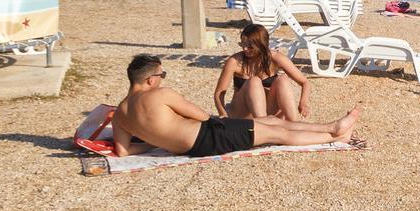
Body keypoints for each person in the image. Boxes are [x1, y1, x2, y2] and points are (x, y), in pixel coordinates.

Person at [113, 53, 356, 158]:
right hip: (210, 136)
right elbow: (201, 116)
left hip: (192, 147)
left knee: (271, 122)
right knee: (276, 133)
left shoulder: (119, 114)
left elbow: (123, 151)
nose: (162, 79)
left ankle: (331, 128)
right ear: (151, 80)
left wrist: (157, 142)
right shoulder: (160, 95)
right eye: (162, 75)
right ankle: (334, 134)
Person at [215, 23, 310, 120]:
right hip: (242, 113)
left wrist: (303, 103)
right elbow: (219, 93)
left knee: (283, 80)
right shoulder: (234, 61)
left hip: (268, 111)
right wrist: (223, 114)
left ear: (261, 45)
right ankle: (264, 124)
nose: (245, 49)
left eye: (250, 46)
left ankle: (293, 123)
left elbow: (304, 82)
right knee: (254, 81)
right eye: (242, 44)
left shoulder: (275, 58)